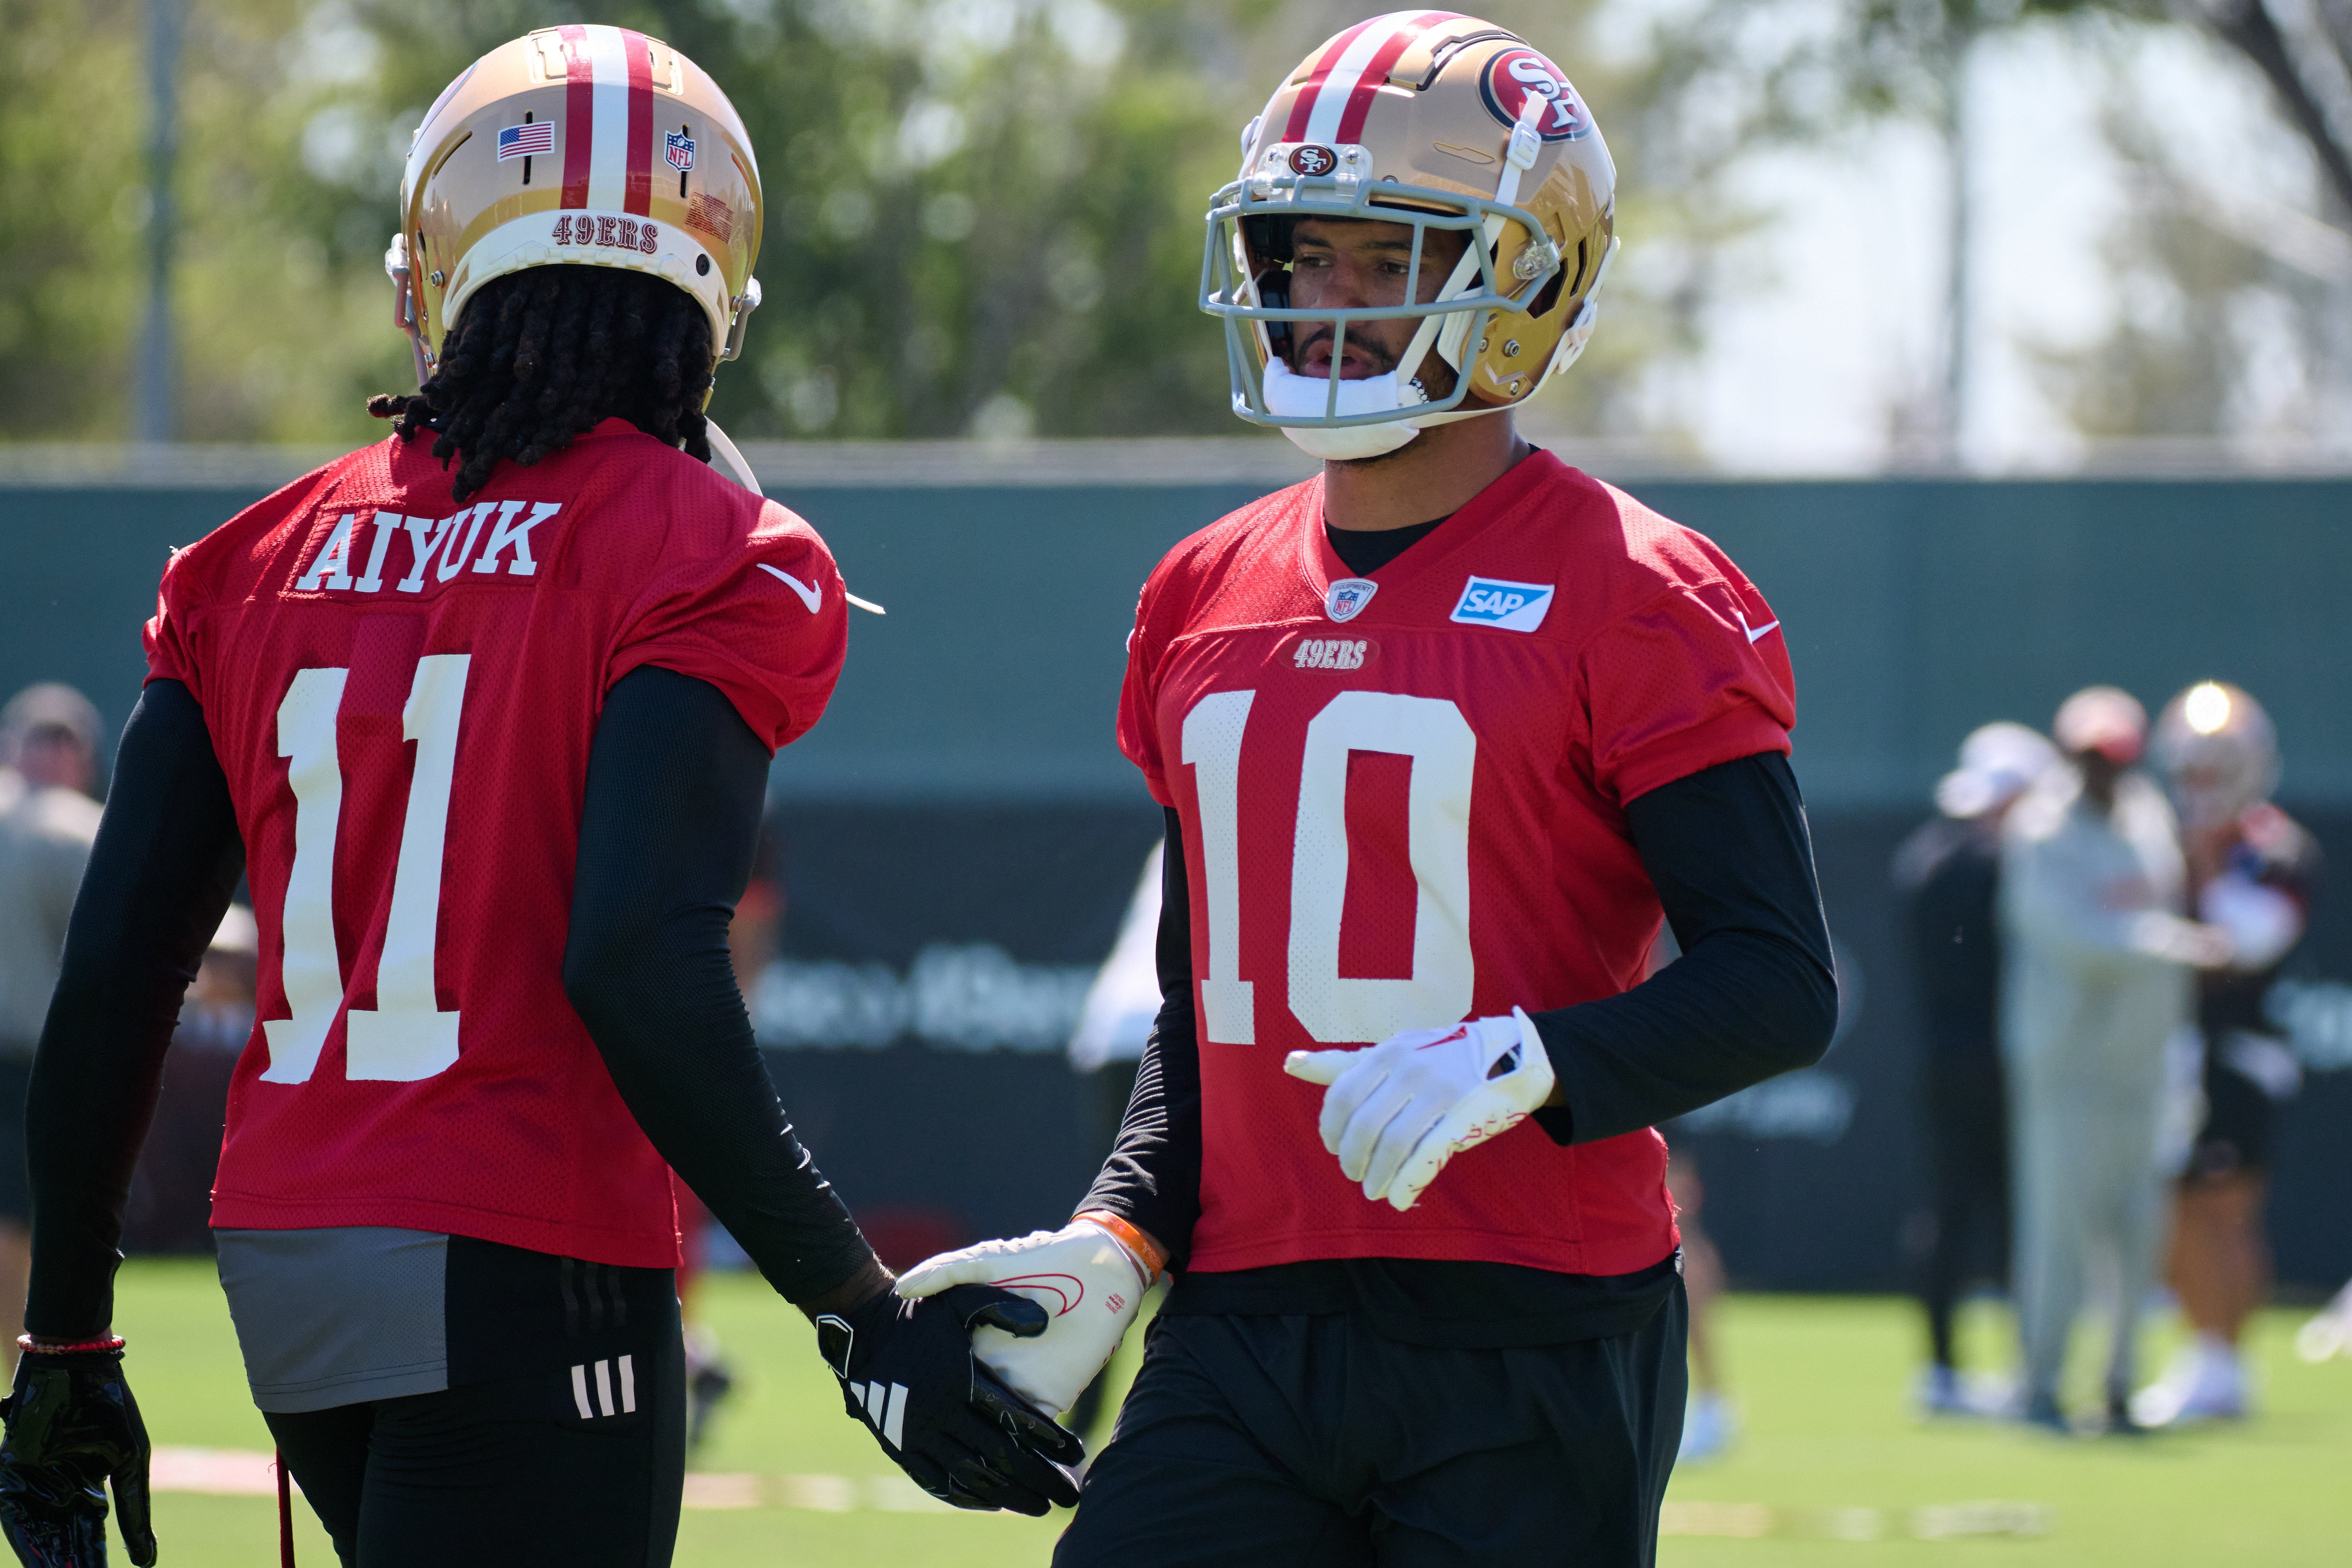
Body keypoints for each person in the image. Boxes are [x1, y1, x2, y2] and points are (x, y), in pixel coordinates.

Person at [0, 28, 1075, 1568]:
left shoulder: (251, 558)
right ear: (711, 290)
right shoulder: (711, 542)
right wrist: (858, 1303)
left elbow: (111, 981)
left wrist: (66, 1343)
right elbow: (635, 956)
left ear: (436, 268)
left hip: (293, 1255)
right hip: (529, 1249)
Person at [898, 15, 1838, 1564]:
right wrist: (1125, 1228)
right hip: (1246, 1321)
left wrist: (1533, 1056)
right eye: (1299, 254)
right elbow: (1203, 1008)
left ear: (1528, 276)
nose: (1322, 305)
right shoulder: (1201, 588)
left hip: (1532, 1324)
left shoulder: (1643, 590)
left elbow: (1778, 982)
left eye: (1383, 257)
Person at [2000, 686, 2232, 1436]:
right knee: (2060, 1229)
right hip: (2068, 1065)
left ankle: (2123, 1385)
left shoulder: (2147, 817)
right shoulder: (2043, 830)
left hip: (2141, 1063)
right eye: (2092, 757)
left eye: (2117, 757)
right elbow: (2074, 936)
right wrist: (2174, 945)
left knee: (2139, 1232)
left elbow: (2151, 910)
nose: (2105, 771)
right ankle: (2041, 1385)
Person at [2133, 682, 2318, 1426]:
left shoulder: (2276, 851)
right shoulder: (2157, 839)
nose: (2201, 787)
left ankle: (2225, 1363)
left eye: (2217, 769)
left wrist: (2206, 867)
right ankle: (2206, 1354)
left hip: (2240, 1047)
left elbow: (2247, 944)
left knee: (2224, 1207)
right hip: (2178, 1047)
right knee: (2178, 1205)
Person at [1892, 721, 2057, 1415]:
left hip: (1942, 1060)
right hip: (2001, 1061)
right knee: (2010, 1215)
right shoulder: (2002, 864)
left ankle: (1943, 1371)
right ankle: (2022, 1367)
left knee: (1950, 1211)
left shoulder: (1922, 854)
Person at [0, 686, 104, 1380]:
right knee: (27, 1224)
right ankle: (29, 1375)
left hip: (31, 1061)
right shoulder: (74, 827)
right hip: (36, 1066)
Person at [1061, 839, 1168, 1440]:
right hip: (1178, 1035)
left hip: (1116, 1035)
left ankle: (1067, 1425)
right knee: (1200, 1252)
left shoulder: (1185, 816)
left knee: (1118, 1241)